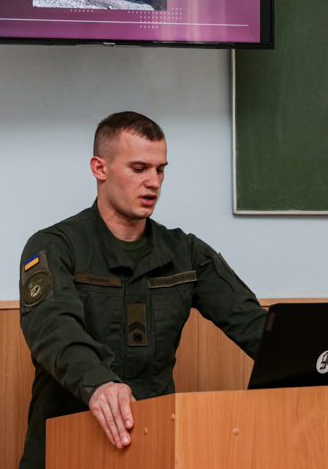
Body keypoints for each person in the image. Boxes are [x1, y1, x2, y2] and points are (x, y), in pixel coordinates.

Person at [17, 112, 268, 469]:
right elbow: (53, 327)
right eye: (139, 169)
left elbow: (251, 323)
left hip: (154, 445)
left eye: (160, 170)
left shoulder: (186, 252)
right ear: (100, 168)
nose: (153, 182)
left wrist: (316, 363)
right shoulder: (55, 246)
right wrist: (99, 384)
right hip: (66, 445)